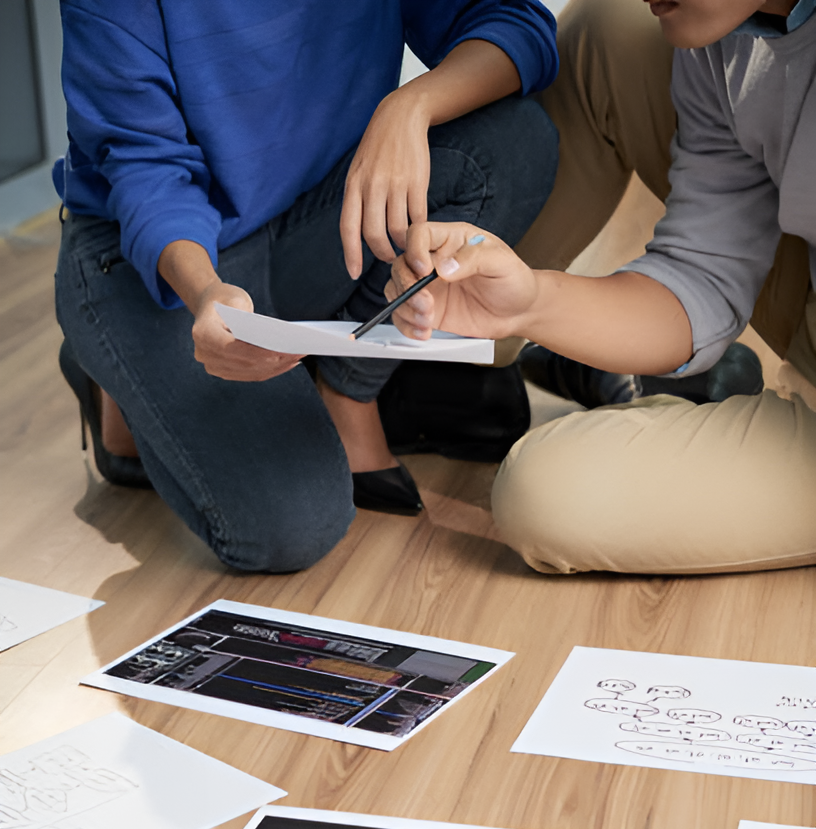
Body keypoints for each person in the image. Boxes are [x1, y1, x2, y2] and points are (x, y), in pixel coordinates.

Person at [54, 1, 559, 570]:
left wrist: (409, 106)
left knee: (514, 143)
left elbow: (515, 24)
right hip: (161, 251)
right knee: (293, 526)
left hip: (306, 211)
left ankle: (348, 393)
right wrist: (203, 295)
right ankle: (113, 365)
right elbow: (148, 170)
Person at [387, 0, 816, 576]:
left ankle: (678, 397)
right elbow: (701, 274)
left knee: (545, 494)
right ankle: (467, 370)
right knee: (605, 30)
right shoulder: (722, 42)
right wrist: (530, 302)